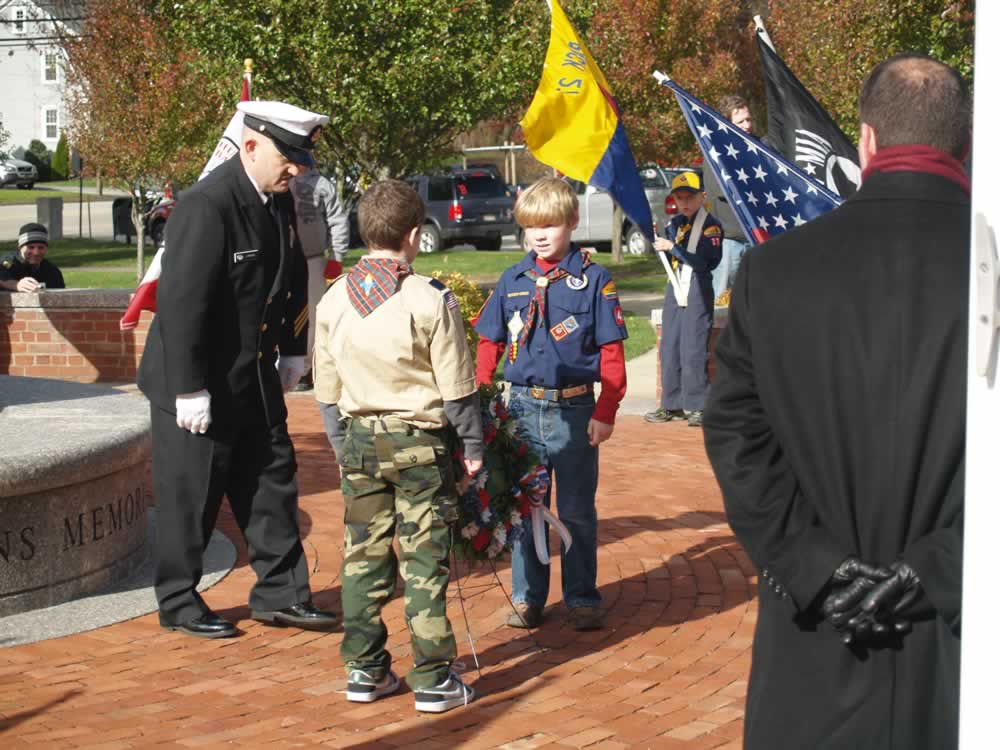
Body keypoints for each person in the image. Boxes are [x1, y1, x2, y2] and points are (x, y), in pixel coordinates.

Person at [703, 54, 969, 749]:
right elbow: (736, 426)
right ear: (965, 144)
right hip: (951, 640)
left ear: (866, 142)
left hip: (828, 629)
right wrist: (940, 565)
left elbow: (735, 436)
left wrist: (812, 564)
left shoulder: (773, 270)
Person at [137, 100, 339, 639]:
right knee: (193, 495)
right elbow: (182, 304)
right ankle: (179, 601)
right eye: (287, 156)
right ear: (250, 146)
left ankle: (281, 595)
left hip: (254, 373)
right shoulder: (207, 204)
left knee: (272, 482)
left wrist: (295, 347)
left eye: (301, 158)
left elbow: (292, 276)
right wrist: (188, 389)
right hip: (199, 380)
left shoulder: (277, 198)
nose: (296, 169)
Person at [313, 179, 482, 713]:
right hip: (418, 447)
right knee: (422, 561)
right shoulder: (428, 298)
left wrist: (343, 445)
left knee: (362, 560)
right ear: (414, 235)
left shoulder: (335, 298)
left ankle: (364, 671)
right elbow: (457, 386)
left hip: (360, 442)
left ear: (365, 233)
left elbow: (325, 390)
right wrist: (474, 447)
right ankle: (433, 677)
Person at [474, 177, 628, 632]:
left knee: (578, 509)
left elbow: (612, 354)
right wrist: (485, 400)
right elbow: (489, 342)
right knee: (526, 508)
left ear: (573, 222)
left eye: (551, 225)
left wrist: (607, 411)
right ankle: (528, 597)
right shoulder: (513, 280)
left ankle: (581, 596)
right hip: (521, 410)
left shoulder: (594, 280)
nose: (540, 235)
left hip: (576, 412)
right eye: (530, 227)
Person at [644, 172, 722, 427]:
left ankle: (698, 406)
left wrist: (672, 248)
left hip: (697, 288)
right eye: (679, 197)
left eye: (690, 197)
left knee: (693, 349)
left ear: (702, 196)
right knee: (670, 347)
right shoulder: (674, 224)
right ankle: (671, 404)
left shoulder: (711, 226)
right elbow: (670, 261)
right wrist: (660, 248)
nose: (684, 202)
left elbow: (703, 262)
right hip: (675, 287)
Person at [288, 157, 350, 392]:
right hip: (283, 259)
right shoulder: (280, 181)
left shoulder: (322, 184)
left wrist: (337, 255)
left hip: (312, 258)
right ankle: (283, 363)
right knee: (283, 312)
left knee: (313, 315)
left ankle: (307, 369)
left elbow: (337, 220)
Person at [701, 94, 756, 297]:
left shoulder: (758, 148)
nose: (746, 125)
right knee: (722, 297)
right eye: (740, 121)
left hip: (755, 238)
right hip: (729, 240)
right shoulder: (715, 152)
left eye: (749, 119)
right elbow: (719, 190)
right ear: (726, 122)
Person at [0, 223, 65, 292]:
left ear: (46, 248)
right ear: (19, 248)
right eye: (30, 247)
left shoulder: (52, 271)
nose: (36, 253)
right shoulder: (8, 262)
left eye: (41, 247)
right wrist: (16, 285)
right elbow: (2, 278)